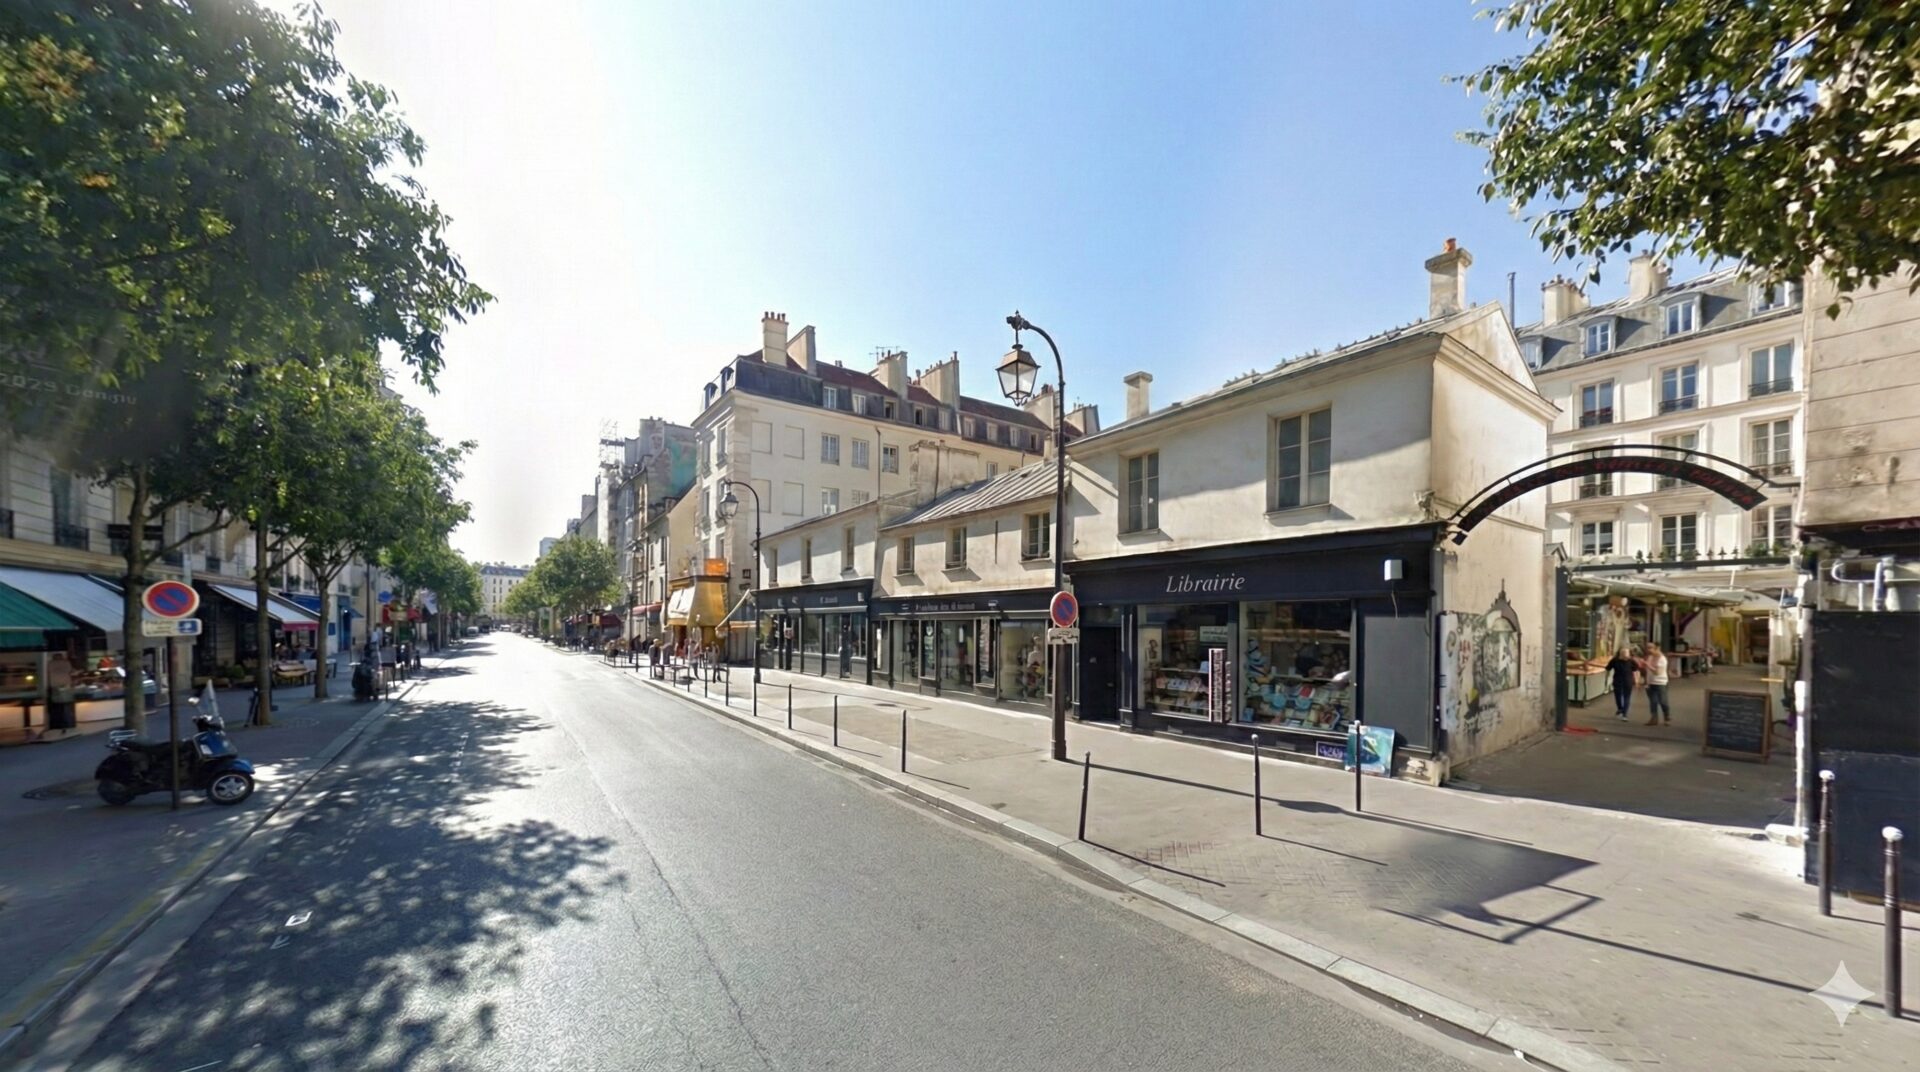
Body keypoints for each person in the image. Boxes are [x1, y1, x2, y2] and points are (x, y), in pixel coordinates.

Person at [1639, 643, 1671, 726]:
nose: (1648, 650)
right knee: (1653, 702)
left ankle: (1667, 717)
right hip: (1650, 683)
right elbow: (1647, 669)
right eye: (1647, 648)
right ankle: (1654, 719)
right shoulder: (1650, 657)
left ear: (1657, 648)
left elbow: (1657, 672)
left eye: (1650, 648)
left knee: (1663, 701)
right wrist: (1643, 666)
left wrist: (1647, 664)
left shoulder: (1662, 659)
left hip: (1660, 683)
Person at [1604, 647, 1638, 721]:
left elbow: (1636, 670)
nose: (1625, 655)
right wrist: (1607, 679)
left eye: (1627, 653)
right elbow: (1608, 668)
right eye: (1623, 653)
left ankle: (1625, 714)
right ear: (1620, 653)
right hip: (1617, 681)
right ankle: (1620, 708)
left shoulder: (1631, 661)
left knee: (1627, 697)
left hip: (1628, 681)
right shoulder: (1615, 660)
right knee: (1618, 696)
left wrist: (1636, 680)